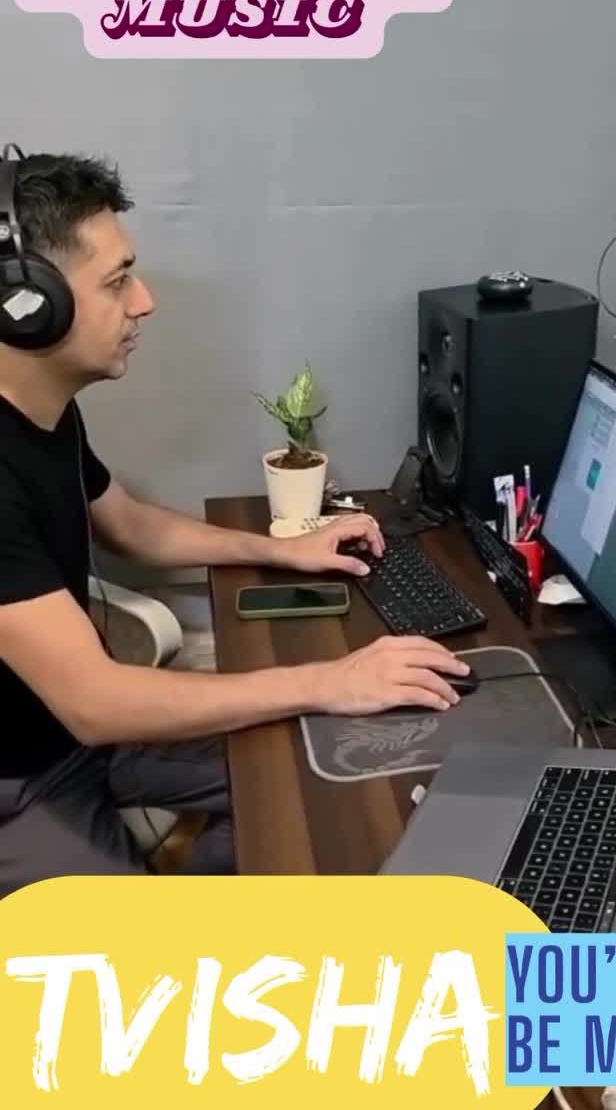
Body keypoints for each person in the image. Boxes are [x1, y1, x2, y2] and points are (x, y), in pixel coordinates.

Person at [0, 149, 471, 897]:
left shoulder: (45, 410)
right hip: (22, 780)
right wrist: (330, 679)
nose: (144, 302)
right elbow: (94, 703)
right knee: (133, 973)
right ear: (29, 304)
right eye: (117, 281)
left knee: (312, 776)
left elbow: (134, 528)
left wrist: (288, 550)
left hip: (88, 736)